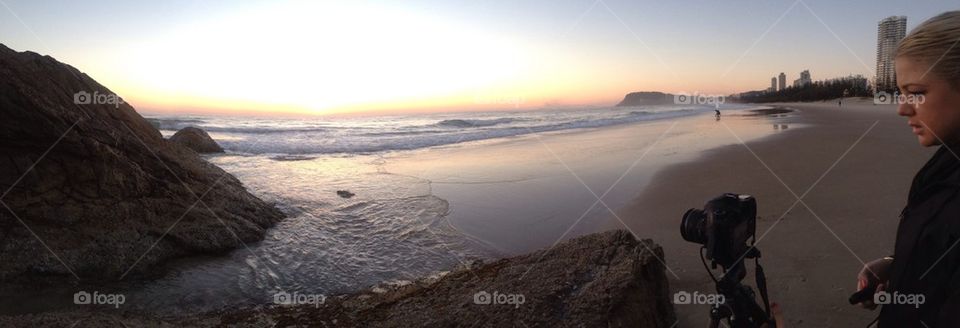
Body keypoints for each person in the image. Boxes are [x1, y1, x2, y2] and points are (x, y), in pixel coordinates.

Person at [854, 11, 960, 327]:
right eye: (902, 93)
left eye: (917, 92)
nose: (902, 108)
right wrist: (899, 268)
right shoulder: (946, 165)